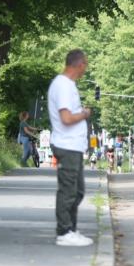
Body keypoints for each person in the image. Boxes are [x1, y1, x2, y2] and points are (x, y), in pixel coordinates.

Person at [47, 49, 93, 247]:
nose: (86, 69)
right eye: (86, 64)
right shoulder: (63, 86)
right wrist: (84, 114)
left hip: (73, 145)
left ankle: (71, 228)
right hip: (67, 144)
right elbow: (66, 118)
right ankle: (64, 231)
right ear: (79, 64)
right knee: (68, 190)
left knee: (78, 190)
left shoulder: (67, 85)